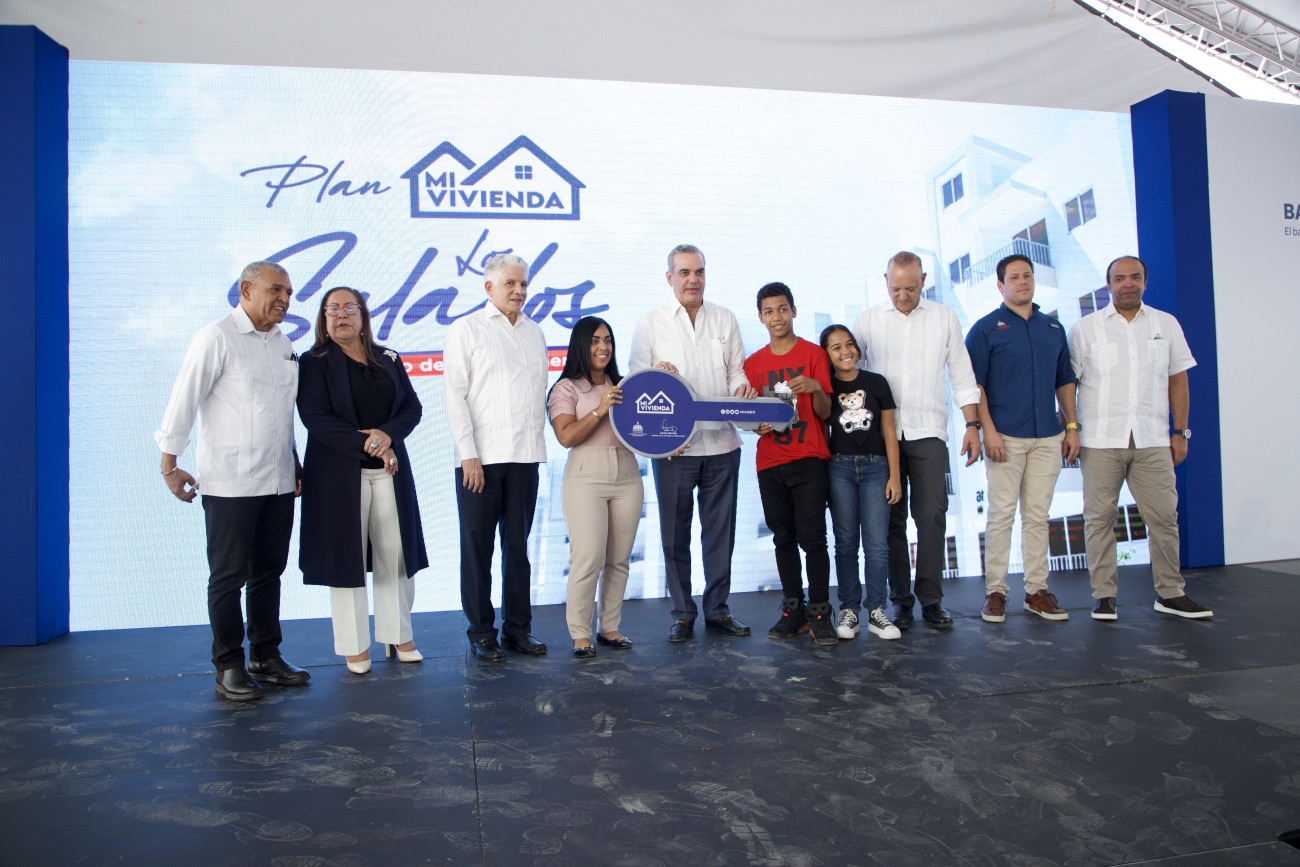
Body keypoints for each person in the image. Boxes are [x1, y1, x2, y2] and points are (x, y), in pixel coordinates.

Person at [155, 260, 311, 701]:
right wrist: (169, 465)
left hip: (279, 481)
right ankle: (228, 666)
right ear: (246, 290)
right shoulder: (216, 337)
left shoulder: (283, 343)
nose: (284, 299)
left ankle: (266, 656)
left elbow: (279, 414)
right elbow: (183, 400)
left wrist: (294, 461)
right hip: (230, 484)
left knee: (269, 573)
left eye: (288, 293)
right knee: (228, 577)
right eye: (276, 289)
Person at [1069, 256, 1213, 620]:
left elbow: (1178, 380)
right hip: (1100, 441)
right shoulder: (1086, 328)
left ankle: (1170, 593)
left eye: (1135, 277)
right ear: (1109, 285)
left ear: (1145, 281)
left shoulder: (1166, 324)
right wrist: (1070, 428)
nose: (1128, 283)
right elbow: (1068, 384)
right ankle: (1104, 596)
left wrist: (1180, 432)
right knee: (1099, 520)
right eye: (1120, 278)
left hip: (1153, 440)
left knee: (1164, 518)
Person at [296, 287, 429, 674]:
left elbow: (412, 407)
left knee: (395, 554)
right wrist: (372, 445)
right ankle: (354, 646)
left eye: (349, 308)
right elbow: (316, 418)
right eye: (332, 309)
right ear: (323, 318)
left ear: (363, 316)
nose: (341, 315)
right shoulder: (313, 362)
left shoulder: (388, 357)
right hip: (338, 474)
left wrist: (387, 436)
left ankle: (397, 635)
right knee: (346, 559)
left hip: (389, 469)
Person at [630, 244, 758, 642]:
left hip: (723, 443)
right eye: (684, 272)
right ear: (670, 278)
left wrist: (742, 390)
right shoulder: (650, 324)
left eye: (699, 272)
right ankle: (683, 613)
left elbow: (736, 374)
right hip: (675, 450)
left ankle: (718, 610)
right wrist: (657, 373)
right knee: (674, 536)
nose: (693, 280)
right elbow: (637, 385)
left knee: (720, 534)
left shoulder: (725, 318)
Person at [852, 252, 981, 630]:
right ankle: (900, 602)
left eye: (910, 288)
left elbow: (962, 374)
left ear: (923, 280)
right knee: (889, 522)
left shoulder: (944, 318)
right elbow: (848, 373)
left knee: (932, 516)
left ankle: (932, 600)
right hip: (881, 438)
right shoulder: (867, 321)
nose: (903, 295)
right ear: (885, 281)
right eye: (896, 288)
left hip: (929, 433)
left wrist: (972, 424)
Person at [444, 253, 550, 662]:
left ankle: (518, 629)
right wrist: (468, 454)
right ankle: (481, 632)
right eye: (510, 283)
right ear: (489, 287)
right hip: (481, 460)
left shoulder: (534, 331)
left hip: (525, 456)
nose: (519, 291)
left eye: (523, 284)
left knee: (517, 549)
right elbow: (454, 396)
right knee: (477, 548)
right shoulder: (466, 328)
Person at [965, 254, 1079, 623]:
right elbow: (975, 386)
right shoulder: (985, 329)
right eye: (1014, 277)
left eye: (1027, 275)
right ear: (1000, 285)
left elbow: (1065, 381)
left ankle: (1037, 592)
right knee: (1001, 516)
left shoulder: (1053, 328)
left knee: (1038, 517)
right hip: (1005, 437)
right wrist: (988, 430)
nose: (1023, 282)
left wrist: (1072, 426)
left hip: (1048, 436)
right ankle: (996, 592)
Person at [744, 283, 836, 645]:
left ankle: (820, 612)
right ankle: (793, 610)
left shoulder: (814, 354)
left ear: (794, 311)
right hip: (770, 462)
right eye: (769, 311)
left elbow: (826, 414)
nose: (777, 317)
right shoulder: (753, 364)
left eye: (782, 309)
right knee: (782, 538)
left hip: (809, 459)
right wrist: (757, 426)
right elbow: (750, 416)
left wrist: (815, 388)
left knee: (813, 539)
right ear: (761, 317)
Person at [547, 316, 644, 658]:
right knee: (588, 557)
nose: (603, 347)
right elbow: (565, 436)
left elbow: (647, 424)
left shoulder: (625, 385)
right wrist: (600, 409)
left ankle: (610, 628)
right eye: (594, 341)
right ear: (581, 345)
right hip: (586, 474)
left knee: (619, 559)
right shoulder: (566, 388)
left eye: (608, 340)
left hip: (627, 472)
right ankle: (580, 633)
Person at [820, 324, 902, 641]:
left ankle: (877, 611)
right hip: (839, 468)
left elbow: (889, 431)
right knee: (845, 543)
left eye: (849, 344)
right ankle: (849, 610)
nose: (846, 351)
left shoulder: (876, 382)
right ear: (826, 354)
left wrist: (895, 475)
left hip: (877, 468)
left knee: (877, 544)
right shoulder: (826, 388)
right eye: (836, 347)